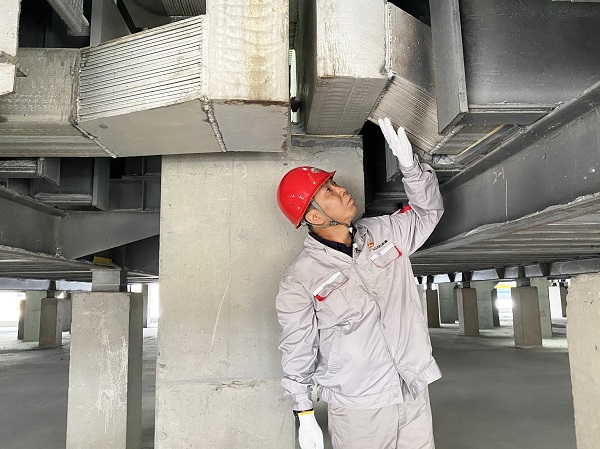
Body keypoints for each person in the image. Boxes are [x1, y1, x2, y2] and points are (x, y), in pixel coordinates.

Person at [275, 117, 444, 449]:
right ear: (314, 217)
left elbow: (427, 214)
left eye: (335, 184)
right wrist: (304, 412)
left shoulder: (383, 232)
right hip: (359, 406)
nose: (342, 190)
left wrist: (411, 168)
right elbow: (297, 346)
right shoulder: (300, 278)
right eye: (329, 191)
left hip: (411, 385)